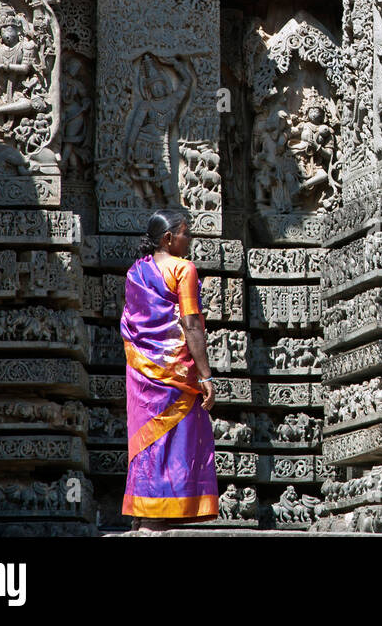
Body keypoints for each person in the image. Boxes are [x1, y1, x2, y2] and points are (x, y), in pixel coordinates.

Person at [121, 209, 218, 531]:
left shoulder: (136, 272)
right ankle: (162, 511)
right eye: (185, 233)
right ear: (168, 238)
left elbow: (134, 325)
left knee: (147, 439)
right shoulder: (183, 269)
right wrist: (205, 375)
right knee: (176, 438)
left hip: (141, 373)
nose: (189, 239)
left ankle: (143, 511)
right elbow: (191, 324)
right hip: (175, 373)